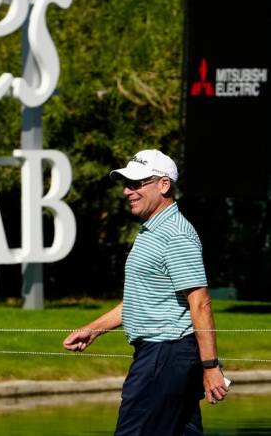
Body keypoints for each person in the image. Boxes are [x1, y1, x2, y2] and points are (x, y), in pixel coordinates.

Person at [62, 149, 229, 436]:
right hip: (166, 357)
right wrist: (93, 329)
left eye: (137, 184)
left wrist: (211, 366)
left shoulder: (175, 234)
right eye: (126, 184)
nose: (127, 191)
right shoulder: (151, 231)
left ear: (164, 185)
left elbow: (200, 303)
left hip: (164, 356)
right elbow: (142, 300)